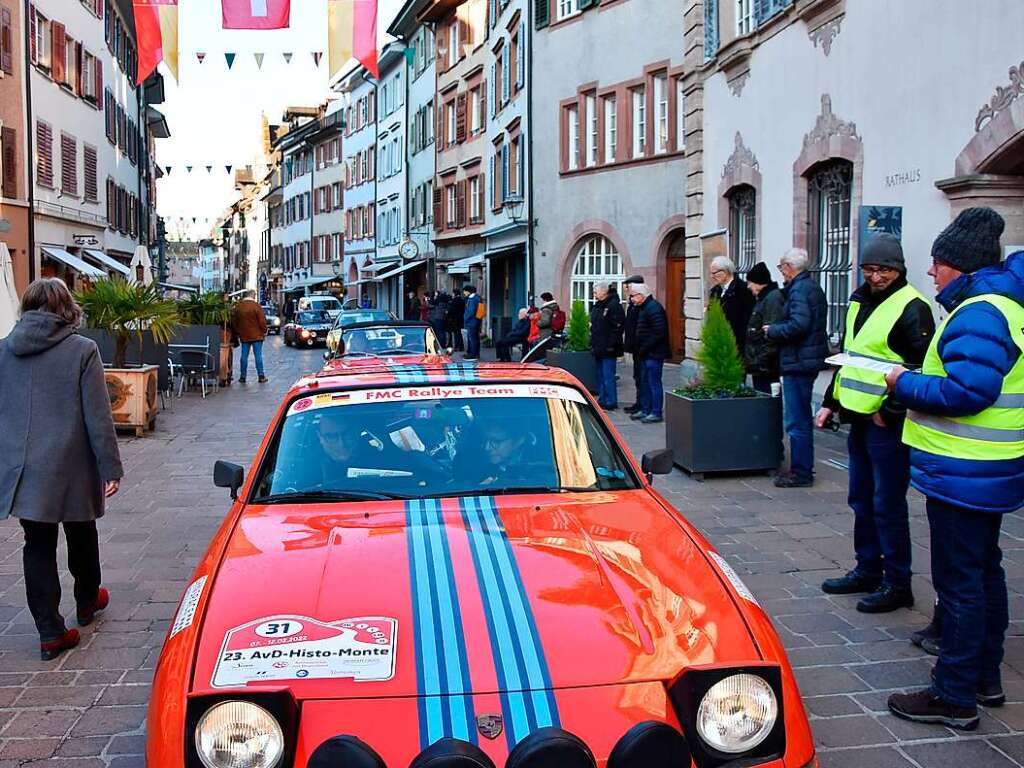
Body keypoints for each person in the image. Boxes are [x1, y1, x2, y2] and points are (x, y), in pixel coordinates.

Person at [886, 208, 1024, 729]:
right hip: (986, 470)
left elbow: (969, 391)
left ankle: (954, 695)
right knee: (984, 572)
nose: (932, 273)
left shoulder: (979, 312)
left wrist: (904, 383)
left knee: (962, 581)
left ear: (961, 268)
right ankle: (983, 678)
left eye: (938, 264)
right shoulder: (1001, 307)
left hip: (967, 471)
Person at [0, 279, 123, 661]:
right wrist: (110, 466)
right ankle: (87, 600)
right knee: (82, 530)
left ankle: (50, 632)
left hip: (22, 466)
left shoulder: (4, 350)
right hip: (71, 461)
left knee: (36, 544)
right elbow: (98, 415)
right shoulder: (82, 349)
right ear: (67, 308)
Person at [814, 234, 934, 613]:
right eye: (869, 269)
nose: (876, 276)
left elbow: (921, 368)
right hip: (857, 414)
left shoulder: (913, 306)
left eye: (883, 269)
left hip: (886, 423)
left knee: (887, 503)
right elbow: (850, 356)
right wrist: (830, 403)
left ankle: (898, 582)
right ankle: (867, 568)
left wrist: (892, 411)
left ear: (898, 269)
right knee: (861, 498)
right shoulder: (857, 300)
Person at [764, 248, 829, 488]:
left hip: (799, 362)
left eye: (781, 267)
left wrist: (773, 330)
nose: (781, 272)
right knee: (799, 418)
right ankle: (801, 469)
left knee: (797, 420)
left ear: (790, 267)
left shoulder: (800, 289)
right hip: (804, 360)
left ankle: (801, 472)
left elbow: (799, 324)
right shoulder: (809, 287)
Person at [629, 283, 670, 423]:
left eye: (633, 296)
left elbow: (659, 332)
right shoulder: (644, 307)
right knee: (645, 382)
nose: (631, 299)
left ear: (641, 295)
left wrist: (645, 347)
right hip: (645, 353)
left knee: (654, 383)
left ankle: (656, 412)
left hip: (654, 353)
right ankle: (646, 409)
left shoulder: (653, 308)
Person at [743, 262, 786, 394]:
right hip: (760, 364)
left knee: (768, 398)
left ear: (759, 282)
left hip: (766, 366)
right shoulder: (764, 298)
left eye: (750, 283)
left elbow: (771, 332)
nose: (748, 287)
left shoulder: (772, 299)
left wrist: (763, 362)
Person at [709, 256, 755, 353]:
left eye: (714, 273)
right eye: (711, 273)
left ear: (725, 272)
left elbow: (746, 320)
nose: (712, 276)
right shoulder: (715, 291)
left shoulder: (743, 290)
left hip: (736, 343)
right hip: (719, 342)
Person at [590, 282, 625, 410]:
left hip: (609, 348)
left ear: (604, 292)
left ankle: (611, 400)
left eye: (595, 291)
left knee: (608, 375)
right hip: (598, 346)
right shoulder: (598, 306)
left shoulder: (613, 305)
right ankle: (603, 399)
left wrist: (611, 345)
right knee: (600, 375)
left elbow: (617, 328)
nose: (594, 294)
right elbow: (595, 326)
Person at [231, 295, 269, 384]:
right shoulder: (256, 306)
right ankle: (261, 375)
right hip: (257, 335)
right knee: (258, 356)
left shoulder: (239, 307)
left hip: (244, 335)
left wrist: (238, 331)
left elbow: (234, 321)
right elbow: (262, 321)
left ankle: (243, 376)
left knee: (244, 356)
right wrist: (264, 330)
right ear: (253, 296)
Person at [621, 275, 645, 413]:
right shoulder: (633, 304)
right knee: (637, 377)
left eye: (628, 287)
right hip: (635, 347)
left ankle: (643, 405)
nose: (626, 290)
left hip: (640, 347)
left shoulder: (640, 305)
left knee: (643, 378)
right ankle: (639, 403)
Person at [462, 285, 482, 360]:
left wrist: (465, 318)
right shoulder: (477, 298)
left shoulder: (472, 299)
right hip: (476, 321)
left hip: (472, 322)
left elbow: (471, 311)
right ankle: (475, 353)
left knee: (472, 338)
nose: (464, 293)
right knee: (475, 338)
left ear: (468, 291)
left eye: (464, 291)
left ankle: (473, 354)